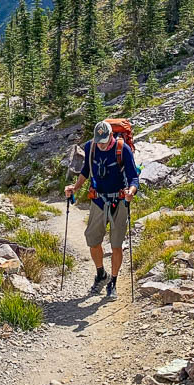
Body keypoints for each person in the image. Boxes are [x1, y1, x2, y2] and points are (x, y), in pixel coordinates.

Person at [64, 119, 138, 297]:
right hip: (98, 199)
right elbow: (85, 171)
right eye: (99, 142)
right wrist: (75, 188)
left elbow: (134, 177)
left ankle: (113, 283)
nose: (101, 146)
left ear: (111, 135)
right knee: (92, 240)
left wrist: (131, 191)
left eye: (104, 142)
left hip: (119, 200)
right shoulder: (91, 147)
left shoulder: (122, 149)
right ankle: (101, 274)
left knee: (116, 245)